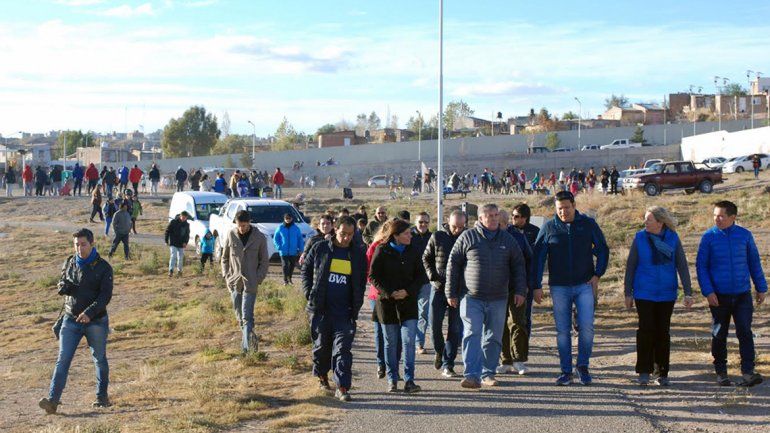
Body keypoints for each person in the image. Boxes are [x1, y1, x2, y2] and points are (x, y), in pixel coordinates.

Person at [533, 191, 610, 386]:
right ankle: (566, 371)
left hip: (584, 284)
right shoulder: (549, 227)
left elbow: (602, 249)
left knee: (586, 328)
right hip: (559, 287)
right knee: (562, 331)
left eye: (566, 208)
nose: (563, 212)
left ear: (574, 205)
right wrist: (536, 285)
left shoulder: (588, 224)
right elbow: (539, 257)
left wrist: (597, 275)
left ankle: (582, 366)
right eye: (559, 209)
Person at [446, 203, 527, 389]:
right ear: (480, 218)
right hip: (471, 297)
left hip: (498, 298)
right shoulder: (468, 237)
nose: (493, 218)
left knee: (493, 337)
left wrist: (521, 291)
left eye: (496, 215)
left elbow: (519, 266)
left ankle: (488, 374)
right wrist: (450, 292)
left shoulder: (508, 239)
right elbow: (453, 264)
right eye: (489, 215)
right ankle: (472, 375)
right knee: (472, 333)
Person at [39, 228, 113, 414]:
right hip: (70, 319)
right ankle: (53, 401)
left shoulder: (104, 267)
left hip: (96, 321)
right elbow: (62, 281)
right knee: (62, 360)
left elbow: (105, 296)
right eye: (76, 245)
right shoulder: (69, 262)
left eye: (83, 244)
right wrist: (63, 287)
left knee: (99, 359)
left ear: (92, 243)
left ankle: (101, 397)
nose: (80, 248)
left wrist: (89, 312)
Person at [696, 200, 767, 387]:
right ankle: (721, 372)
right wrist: (708, 291)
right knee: (719, 333)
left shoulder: (745, 236)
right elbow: (701, 267)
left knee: (745, 332)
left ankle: (748, 372)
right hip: (719, 296)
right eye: (714, 215)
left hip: (743, 294)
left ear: (732, 217)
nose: (716, 219)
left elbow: (754, 263)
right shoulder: (708, 238)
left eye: (720, 216)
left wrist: (761, 287)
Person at [624, 206, 693, 386]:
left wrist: (688, 292)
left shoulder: (673, 238)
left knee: (662, 332)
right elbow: (631, 266)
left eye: (649, 220)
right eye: (645, 219)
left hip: (666, 293)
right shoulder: (640, 238)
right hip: (644, 292)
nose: (645, 223)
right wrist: (627, 292)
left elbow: (682, 266)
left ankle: (662, 372)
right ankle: (644, 371)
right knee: (646, 331)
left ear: (660, 222)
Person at [302, 216, 366, 402]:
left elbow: (361, 280)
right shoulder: (321, 248)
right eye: (342, 233)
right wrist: (308, 292)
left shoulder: (357, 254)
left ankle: (342, 387)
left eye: (350, 235)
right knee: (321, 348)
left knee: (342, 350)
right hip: (320, 310)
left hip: (344, 312)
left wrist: (357, 301)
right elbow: (305, 269)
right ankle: (322, 376)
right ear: (334, 230)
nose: (346, 238)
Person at [369, 219, 424, 393]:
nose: (410, 236)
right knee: (390, 342)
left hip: (408, 303)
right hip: (386, 304)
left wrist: (408, 291)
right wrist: (389, 292)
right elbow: (373, 276)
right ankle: (392, 379)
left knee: (408, 342)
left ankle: (409, 380)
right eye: (406, 233)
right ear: (396, 236)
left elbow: (421, 277)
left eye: (410, 232)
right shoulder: (382, 250)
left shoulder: (413, 251)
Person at [423, 210, 466, 377]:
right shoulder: (437, 236)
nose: (458, 230)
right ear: (448, 221)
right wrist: (433, 276)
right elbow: (426, 258)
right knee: (434, 325)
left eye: (461, 227)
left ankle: (449, 363)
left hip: (459, 290)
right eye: (455, 227)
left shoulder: (467, 237)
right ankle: (439, 351)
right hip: (438, 288)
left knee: (455, 328)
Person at [221, 210, 270, 353]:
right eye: (239, 225)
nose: (242, 228)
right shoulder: (231, 235)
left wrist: (258, 278)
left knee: (247, 316)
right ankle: (250, 344)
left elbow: (264, 261)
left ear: (249, 222)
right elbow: (224, 258)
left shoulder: (259, 237)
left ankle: (248, 352)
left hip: (251, 283)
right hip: (234, 282)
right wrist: (226, 276)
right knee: (240, 318)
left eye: (244, 225)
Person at [496, 209, 534, 376]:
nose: (496, 225)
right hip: (496, 288)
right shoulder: (487, 237)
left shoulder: (517, 237)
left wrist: (526, 284)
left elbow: (528, 260)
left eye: (500, 222)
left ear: (506, 223)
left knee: (518, 322)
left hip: (516, 286)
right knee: (500, 324)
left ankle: (519, 360)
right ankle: (505, 360)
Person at [411, 212, 433, 354]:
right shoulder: (409, 237)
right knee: (409, 313)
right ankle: (407, 339)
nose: (423, 225)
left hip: (425, 281)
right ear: (416, 222)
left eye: (426, 222)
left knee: (423, 313)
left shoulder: (433, 238)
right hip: (409, 280)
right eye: (420, 222)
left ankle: (419, 343)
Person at [274, 213, 304, 285]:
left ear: (292, 219)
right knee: (285, 265)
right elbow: (276, 238)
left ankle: (289, 278)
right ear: (284, 219)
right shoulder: (280, 227)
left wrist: (301, 249)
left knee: (292, 265)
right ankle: (285, 281)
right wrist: (279, 247)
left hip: (293, 251)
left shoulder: (296, 228)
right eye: (286, 218)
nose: (287, 220)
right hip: (283, 251)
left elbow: (300, 239)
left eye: (289, 218)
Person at [165, 211, 190, 277]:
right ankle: (171, 271)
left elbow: (187, 235)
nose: (184, 219)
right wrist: (166, 240)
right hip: (173, 242)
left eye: (185, 218)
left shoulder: (187, 225)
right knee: (173, 256)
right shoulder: (173, 222)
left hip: (181, 244)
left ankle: (179, 271)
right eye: (183, 217)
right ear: (180, 216)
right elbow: (167, 231)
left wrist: (185, 242)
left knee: (180, 257)